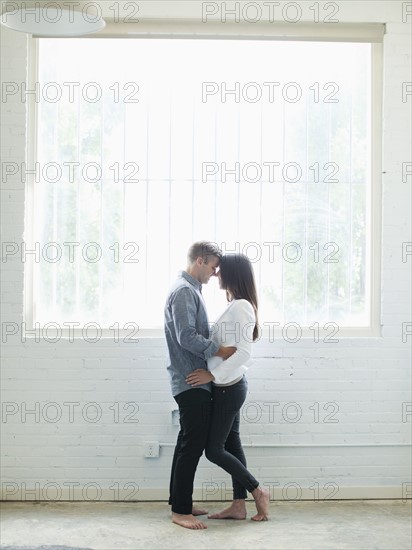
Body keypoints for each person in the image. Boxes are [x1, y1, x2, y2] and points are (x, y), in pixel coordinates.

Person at [186, 253, 270, 521]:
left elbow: (244, 353)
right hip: (227, 387)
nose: (216, 274)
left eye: (220, 270)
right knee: (232, 445)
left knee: (214, 450)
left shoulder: (241, 306)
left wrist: (212, 375)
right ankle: (238, 505)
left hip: (228, 388)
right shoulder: (236, 304)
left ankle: (257, 491)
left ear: (233, 274)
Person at [164, 241, 237, 530]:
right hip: (190, 379)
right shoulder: (184, 291)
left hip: (192, 378)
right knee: (192, 445)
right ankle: (181, 511)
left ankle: (178, 500)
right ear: (199, 261)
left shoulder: (190, 290)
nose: (216, 273)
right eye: (213, 266)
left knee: (186, 442)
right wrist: (220, 350)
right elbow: (186, 337)